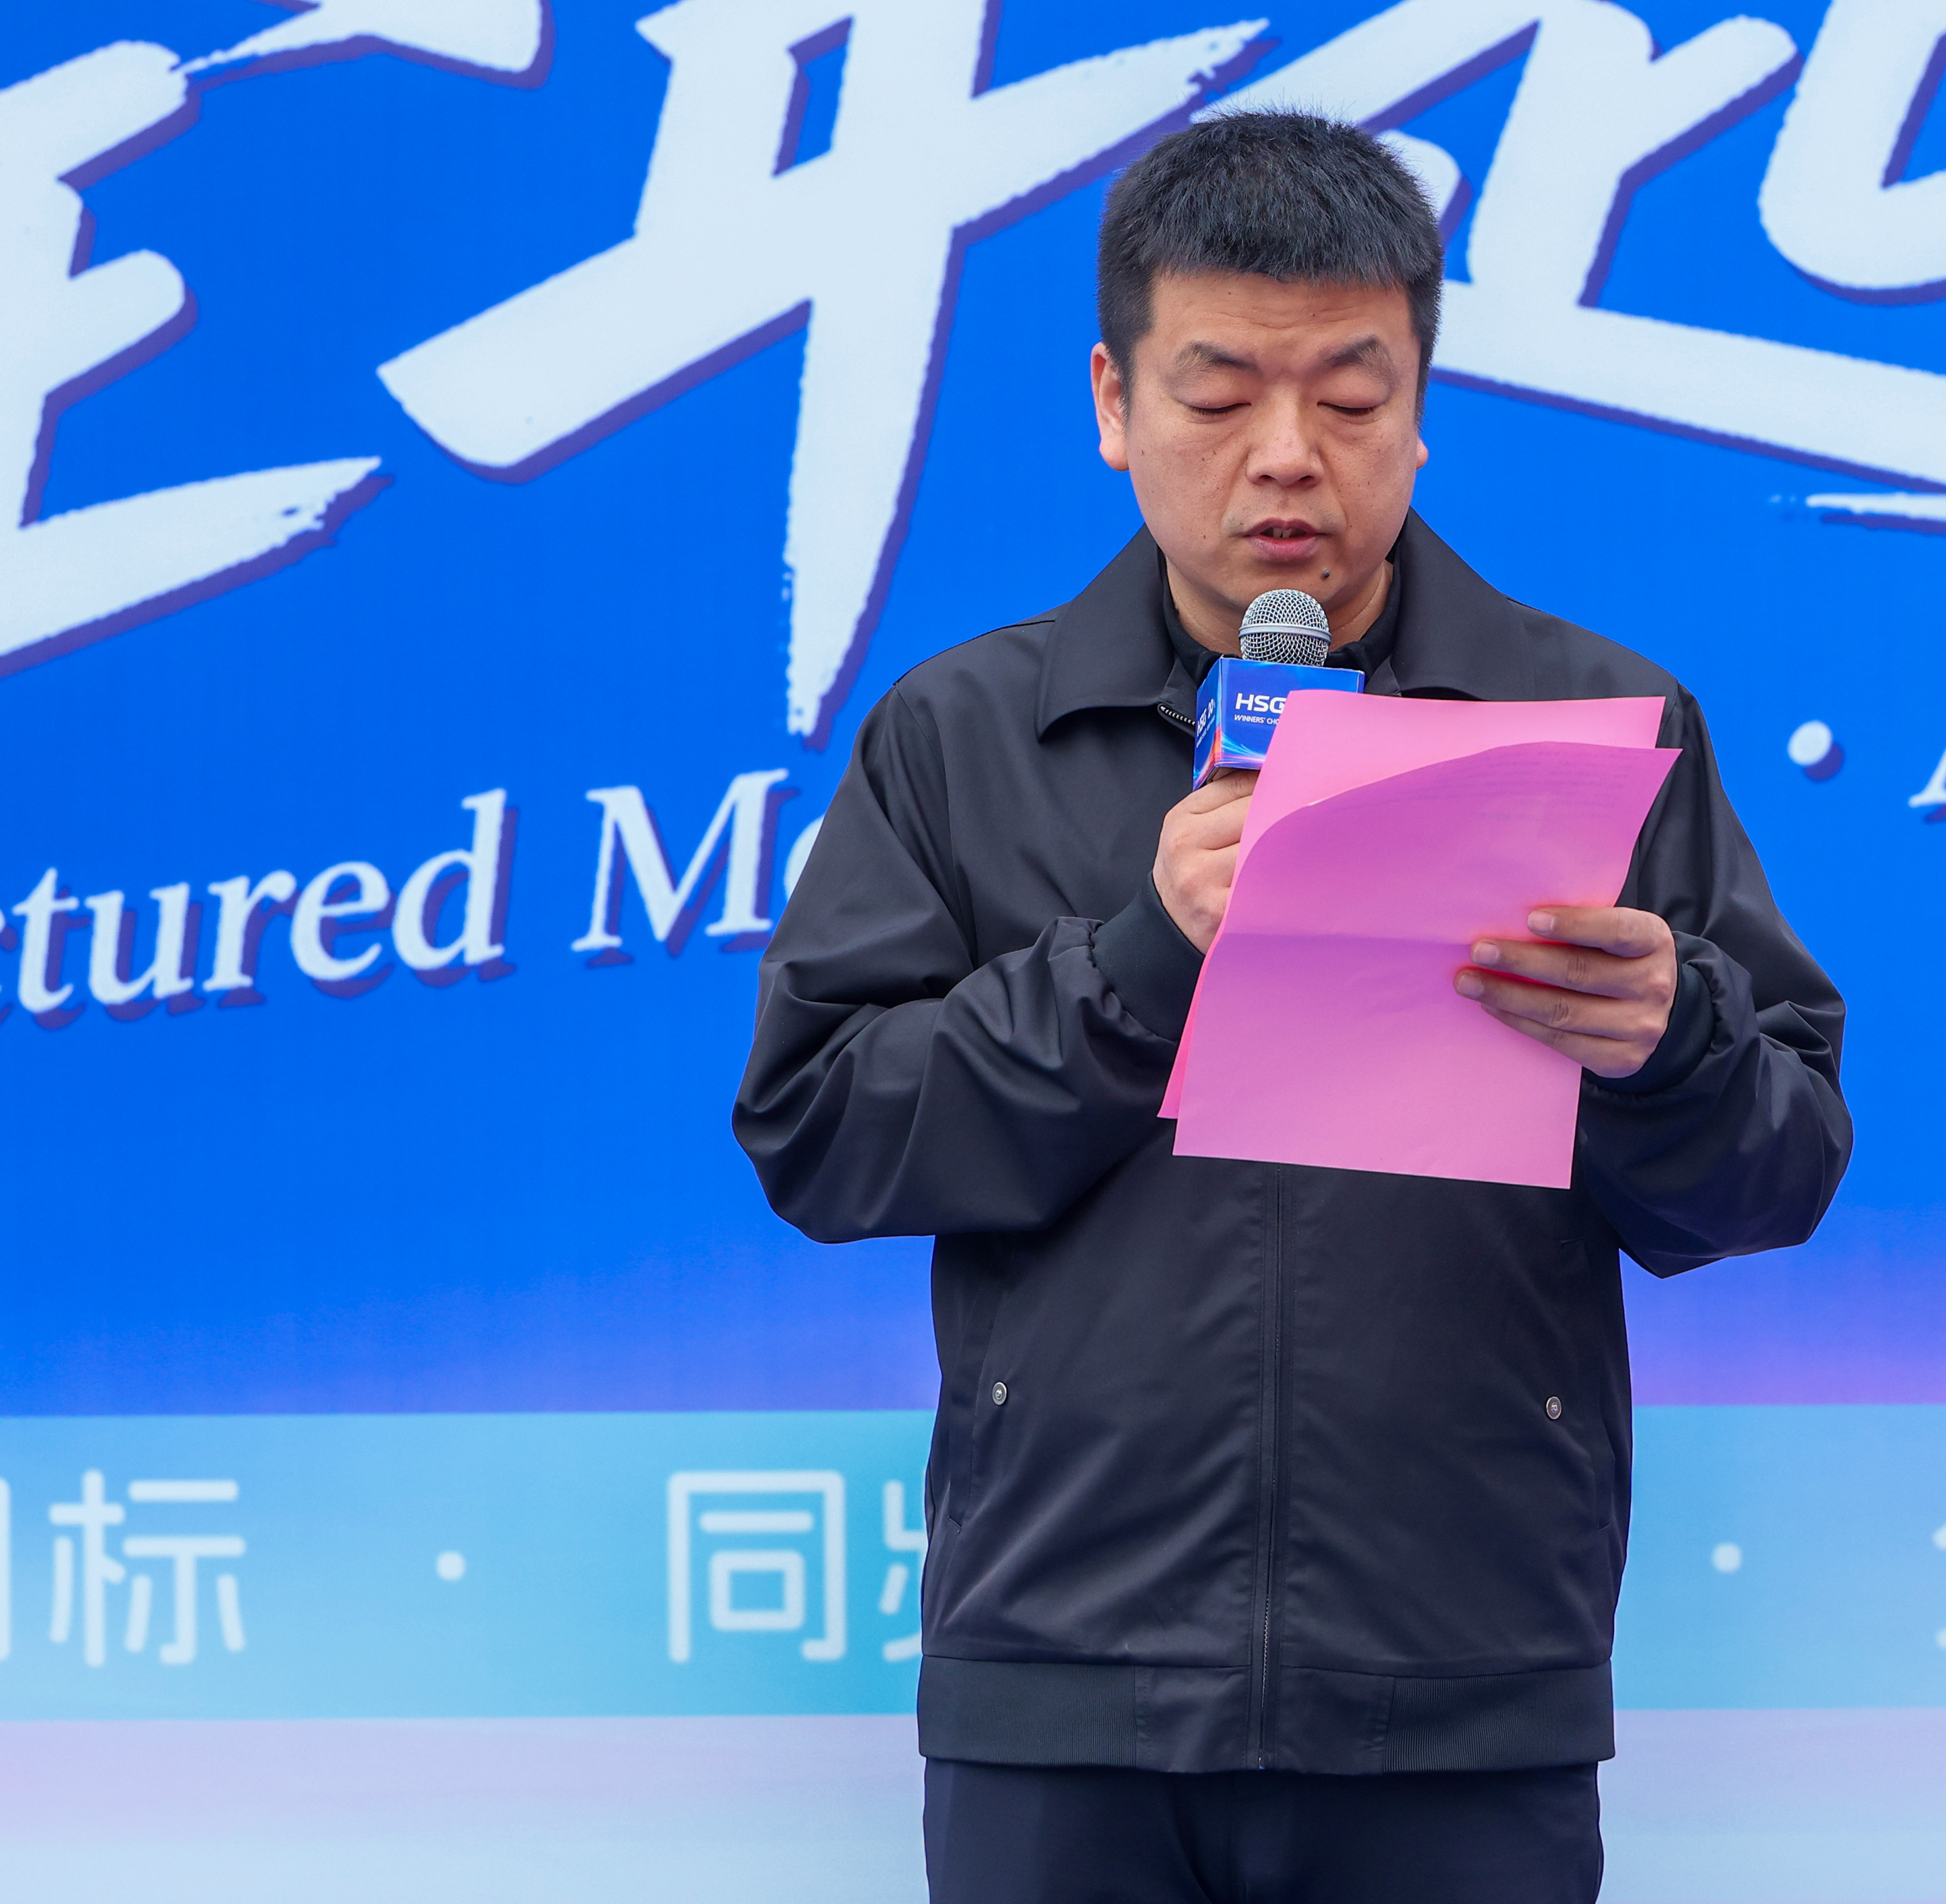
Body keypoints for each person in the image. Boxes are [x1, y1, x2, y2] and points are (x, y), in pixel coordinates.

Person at [739, 111, 1850, 1903]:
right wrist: (1139, 962)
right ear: (1114, 403)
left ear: (1419, 408)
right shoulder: (963, 734)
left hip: (1463, 1684)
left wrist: (1672, 1048)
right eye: (1218, 394)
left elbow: (1778, 1174)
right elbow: (823, 1136)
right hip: (1067, 1688)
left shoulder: (1592, 725)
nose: (1287, 457)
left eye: (1348, 397)